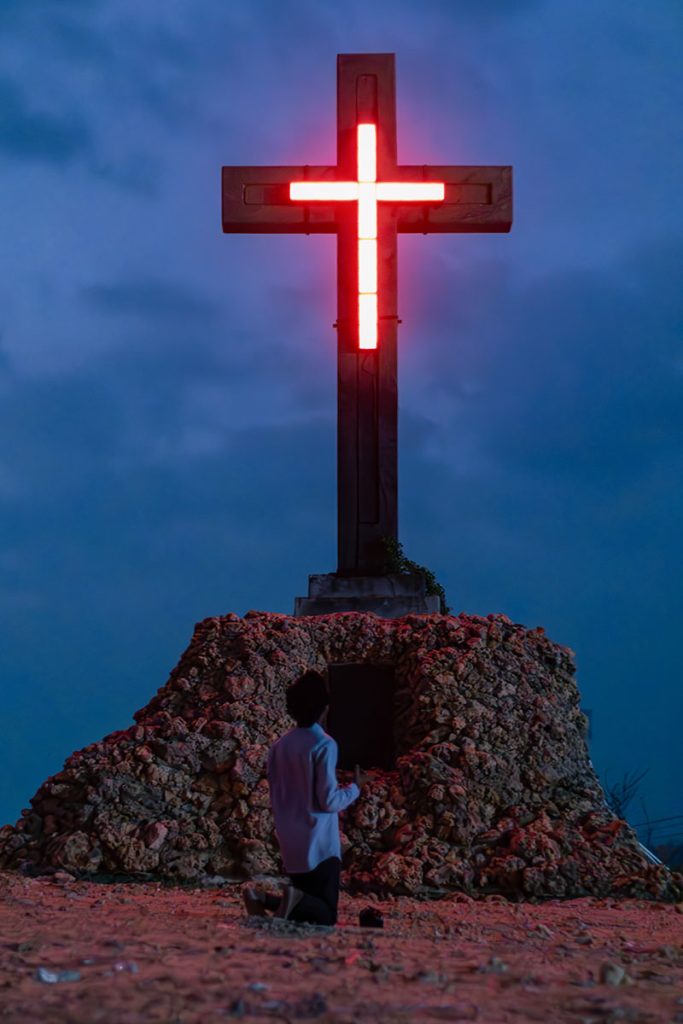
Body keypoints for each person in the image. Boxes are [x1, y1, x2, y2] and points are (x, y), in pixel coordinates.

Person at [243, 670, 364, 925]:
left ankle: (264, 900)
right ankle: (279, 900)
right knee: (326, 914)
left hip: (291, 841)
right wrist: (355, 787)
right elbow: (328, 800)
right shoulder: (324, 744)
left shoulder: (280, 746)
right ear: (324, 708)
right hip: (319, 842)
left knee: (306, 901)